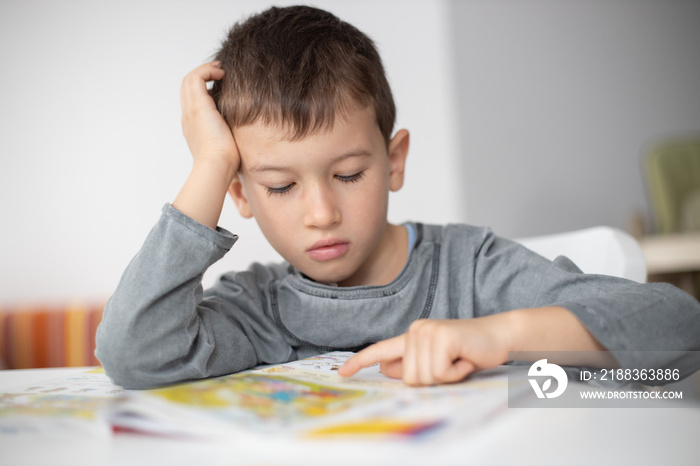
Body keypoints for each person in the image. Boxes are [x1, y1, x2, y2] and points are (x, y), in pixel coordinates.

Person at [95, 5, 700, 390]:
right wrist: (210, 163)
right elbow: (132, 352)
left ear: (395, 161)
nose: (321, 213)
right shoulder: (259, 312)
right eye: (280, 186)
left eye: (349, 174)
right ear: (241, 194)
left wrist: (499, 334)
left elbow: (678, 328)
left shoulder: (471, 270)